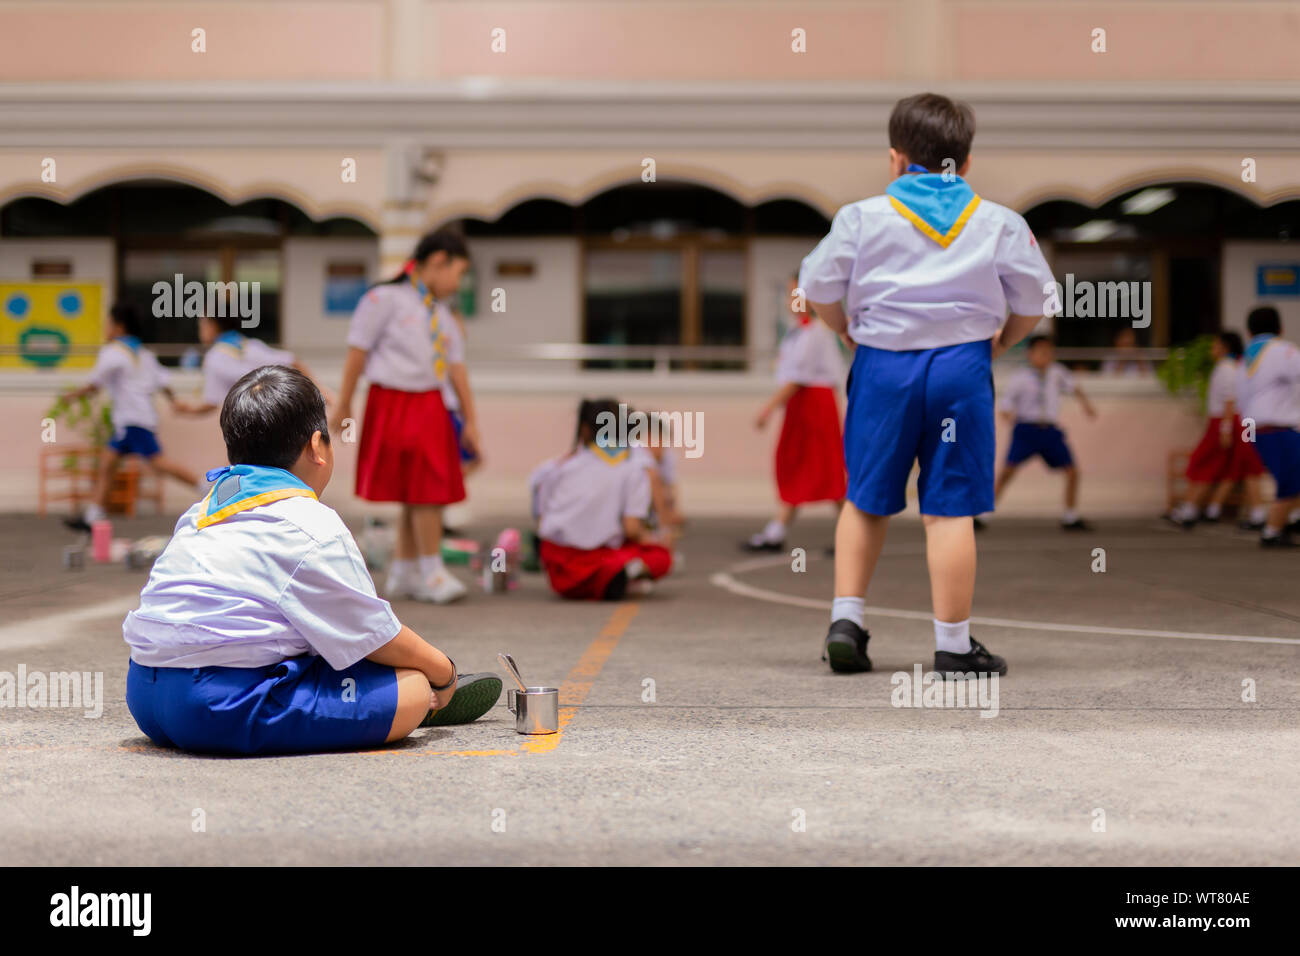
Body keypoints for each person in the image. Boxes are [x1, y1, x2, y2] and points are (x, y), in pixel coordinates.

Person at [800, 92, 1054, 678]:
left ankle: (846, 621)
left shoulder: (861, 217)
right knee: (950, 508)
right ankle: (954, 645)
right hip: (960, 372)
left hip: (882, 365)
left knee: (864, 500)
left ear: (895, 159)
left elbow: (818, 287)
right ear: (964, 164)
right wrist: (1001, 340)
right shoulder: (999, 223)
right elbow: (1038, 299)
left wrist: (846, 333)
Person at [123, 366, 501, 755]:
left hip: (144, 694)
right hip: (217, 707)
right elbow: (375, 635)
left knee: (321, 646)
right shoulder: (310, 522)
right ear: (317, 446)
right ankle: (415, 702)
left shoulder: (203, 511)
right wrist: (443, 671)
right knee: (412, 690)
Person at [330, 229, 479, 603]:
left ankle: (403, 570)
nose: (458, 283)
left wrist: (471, 419)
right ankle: (431, 572)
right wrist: (345, 402)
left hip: (432, 403)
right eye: (458, 273)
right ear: (438, 260)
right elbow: (357, 352)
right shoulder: (383, 299)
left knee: (420, 491)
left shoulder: (442, 314)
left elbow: (457, 369)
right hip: (395, 401)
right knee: (424, 491)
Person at [62, 302, 199, 532]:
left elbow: (94, 385)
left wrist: (71, 396)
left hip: (131, 421)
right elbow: (163, 382)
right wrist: (174, 402)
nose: (106, 328)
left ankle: (204, 487)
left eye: (108, 323)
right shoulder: (145, 354)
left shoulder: (113, 352)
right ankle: (93, 516)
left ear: (119, 327)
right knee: (108, 463)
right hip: (138, 419)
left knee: (158, 463)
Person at [743, 272, 847, 551]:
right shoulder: (797, 331)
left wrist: (767, 409)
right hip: (802, 406)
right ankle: (777, 530)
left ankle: (850, 533)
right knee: (798, 464)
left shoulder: (815, 332)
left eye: (797, 294)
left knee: (825, 469)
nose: (792, 300)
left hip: (814, 406)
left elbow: (797, 378)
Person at [530, 398, 673, 600]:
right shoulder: (633, 467)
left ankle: (609, 577)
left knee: (601, 553)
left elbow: (540, 516)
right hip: (597, 559)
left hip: (557, 563)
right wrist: (659, 537)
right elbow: (632, 529)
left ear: (585, 430)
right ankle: (623, 574)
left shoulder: (557, 466)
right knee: (661, 555)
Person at [992, 335, 1097, 531]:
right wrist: (1006, 414)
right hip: (1025, 429)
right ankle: (983, 515)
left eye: (1049, 351)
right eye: (1040, 351)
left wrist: (1087, 406)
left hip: (1049, 430)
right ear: (1030, 354)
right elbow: (1006, 403)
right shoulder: (1020, 377)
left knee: (1072, 472)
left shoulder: (1058, 373)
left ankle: (1070, 516)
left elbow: (1075, 387)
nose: (1045, 355)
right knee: (1007, 471)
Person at [1167, 331, 1267, 530]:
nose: (1212, 350)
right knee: (1238, 466)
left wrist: (1225, 428)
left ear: (1224, 347)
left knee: (1210, 463)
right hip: (1241, 421)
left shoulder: (1228, 369)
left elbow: (1230, 400)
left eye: (1214, 346)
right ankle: (1216, 508)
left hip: (1234, 421)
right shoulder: (1234, 367)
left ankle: (1192, 509)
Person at [173, 312, 332, 415]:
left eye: (202, 325)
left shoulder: (214, 357)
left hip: (250, 420)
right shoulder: (250, 345)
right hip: (280, 412)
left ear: (213, 326)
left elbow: (211, 403)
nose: (200, 331)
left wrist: (188, 409)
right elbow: (294, 361)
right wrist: (320, 388)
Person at [1236, 306, 1300, 547]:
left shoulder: (1245, 358)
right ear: (1280, 328)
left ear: (1248, 332)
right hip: (1279, 427)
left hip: (1256, 428)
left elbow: (1242, 400)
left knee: (1289, 476)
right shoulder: (1282, 350)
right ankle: (1272, 531)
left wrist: (1247, 435)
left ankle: (1288, 519)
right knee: (1291, 479)